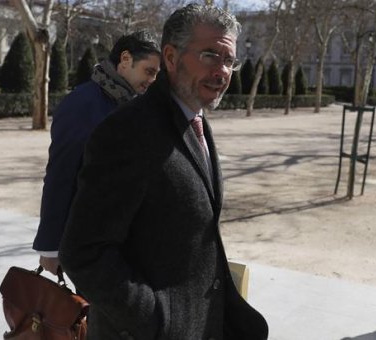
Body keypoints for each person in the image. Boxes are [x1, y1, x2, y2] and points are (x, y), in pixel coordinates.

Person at [59, 4, 268, 339]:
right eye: (210, 55)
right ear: (170, 57)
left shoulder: (195, 121)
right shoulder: (128, 131)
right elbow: (83, 252)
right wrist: (157, 319)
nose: (223, 71)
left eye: (229, 60)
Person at [33, 30, 161, 275]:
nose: (153, 80)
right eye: (150, 71)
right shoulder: (83, 104)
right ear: (125, 59)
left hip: (129, 242)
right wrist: (50, 247)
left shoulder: (133, 104)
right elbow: (61, 175)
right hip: (93, 244)